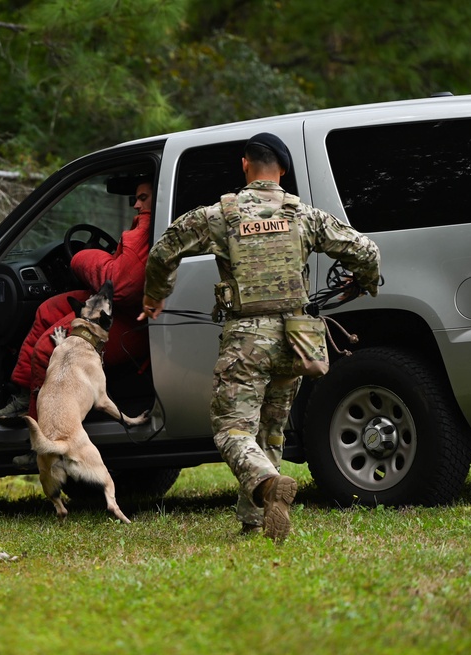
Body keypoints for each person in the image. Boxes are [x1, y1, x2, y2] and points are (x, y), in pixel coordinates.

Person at [138, 133, 380, 543]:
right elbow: (367, 252)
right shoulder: (303, 215)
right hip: (295, 340)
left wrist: (154, 294)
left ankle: (267, 482)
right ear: (282, 171)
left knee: (231, 428)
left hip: (246, 340)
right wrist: (365, 282)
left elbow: (164, 251)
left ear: (245, 164)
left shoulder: (221, 215)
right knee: (271, 428)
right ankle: (255, 517)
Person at [0, 174, 154, 421]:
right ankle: (26, 397)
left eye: (143, 198)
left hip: (137, 318)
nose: (135, 205)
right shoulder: (142, 225)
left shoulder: (147, 227)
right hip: (122, 307)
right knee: (48, 310)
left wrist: (81, 258)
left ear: (159, 197)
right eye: (135, 198)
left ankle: (41, 435)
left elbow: (120, 284)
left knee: (47, 348)